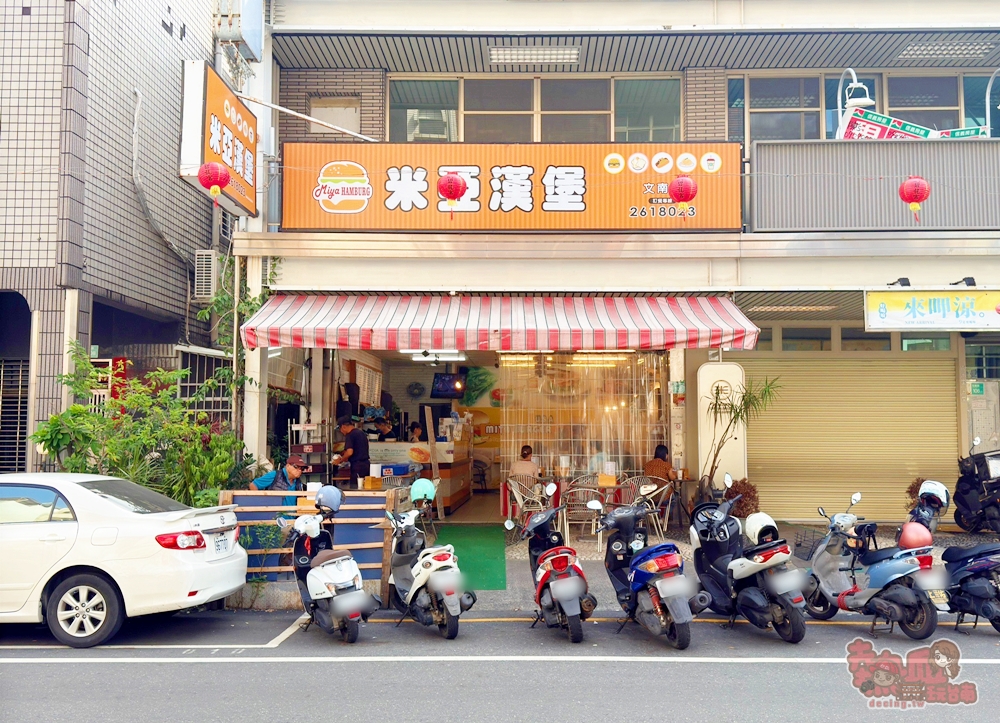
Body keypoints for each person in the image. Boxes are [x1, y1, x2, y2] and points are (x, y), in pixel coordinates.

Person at [333, 414, 370, 488]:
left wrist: (340, 460)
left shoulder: (350, 435)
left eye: (340, 429)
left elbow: (350, 452)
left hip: (357, 466)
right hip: (366, 465)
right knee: (365, 487)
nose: (341, 432)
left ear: (343, 426)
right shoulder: (362, 433)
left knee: (356, 488)